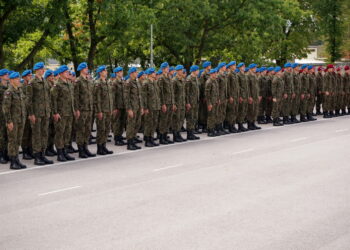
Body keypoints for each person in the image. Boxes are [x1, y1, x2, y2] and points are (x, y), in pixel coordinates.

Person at [27, 62, 53, 165]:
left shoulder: (45, 81)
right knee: (37, 135)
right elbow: (28, 100)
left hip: (45, 112)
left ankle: (43, 155)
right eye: (42, 69)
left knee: (44, 134)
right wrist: (31, 114)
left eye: (43, 69)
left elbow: (48, 98)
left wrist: (49, 110)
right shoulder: (32, 82)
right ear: (37, 70)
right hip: (36, 113)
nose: (43, 70)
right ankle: (37, 156)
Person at [51, 65, 76, 161]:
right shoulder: (57, 85)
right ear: (61, 73)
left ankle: (65, 151)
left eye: (68, 72)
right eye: (66, 72)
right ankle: (60, 153)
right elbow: (53, 100)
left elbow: (71, 99)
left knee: (67, 133)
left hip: (69, 112)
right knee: (60, 133)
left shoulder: (69, 84)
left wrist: (73, 110)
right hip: (61, 113)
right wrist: (55, 112)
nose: (68, 73)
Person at [2, 72, 27, 169]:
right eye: (16, 79)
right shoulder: (9, 92)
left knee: (18, 141)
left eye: (18, 78)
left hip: (20, 119)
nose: (18, 80)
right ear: (11, 80)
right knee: (12, 141)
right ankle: (13, 161)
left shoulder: (19, 90)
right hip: (13, 121)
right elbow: (6, 108)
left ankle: (17, 159)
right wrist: (9, 121)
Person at [74, 62, 96, 158]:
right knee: (81, 130)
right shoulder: (78, 81)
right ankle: (81, 150)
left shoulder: (89, 81)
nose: (87, 69)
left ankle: (85, 147)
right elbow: (75, 96)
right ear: (81, 69)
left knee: (87, 130)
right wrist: (77, 109)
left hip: (89, 108)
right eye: (86, 68)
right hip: (82, 109)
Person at [94, 65, 114, 155]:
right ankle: (99, 147)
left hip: (108, 109)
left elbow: (110, 97)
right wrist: (99, 111)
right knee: (101, 129)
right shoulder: (98, 83)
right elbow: (97, 98)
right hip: (102, 110)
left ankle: (104, 146)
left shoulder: (107, 82)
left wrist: (111, 108)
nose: (106, 72)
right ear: (100, 72)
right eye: (105, 71)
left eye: (106, 70)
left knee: (106, 129)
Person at [123, 67, 144, 150]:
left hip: (138, 107)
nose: (137, 73)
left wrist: (141, 107)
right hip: (132, 107)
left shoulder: (137, 83)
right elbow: (126, 97)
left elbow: (140, 96)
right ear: (131, 73)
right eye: (135, 72)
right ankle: (129, 143)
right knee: (131, 125)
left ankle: (133, 140)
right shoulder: (128, 83)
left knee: (137, 124)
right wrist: (129, 109)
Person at [158, 62, 176, 144]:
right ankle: (161, 138)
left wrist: (173, 103)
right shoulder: (161, 78)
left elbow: (171, 92)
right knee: (163, 121)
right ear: (163, 69)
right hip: (165, 102)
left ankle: (165, 136)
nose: (168, 69)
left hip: (170, 102)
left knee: (168, 120)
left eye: (168, 67)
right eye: (166, 68)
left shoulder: (169, 77)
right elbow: (160, 92)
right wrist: (163, 104)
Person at [142, 68, 160, 147]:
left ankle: (151, 138)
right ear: (149, 74)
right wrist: (145, 108)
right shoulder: (146, 83)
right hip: (149, 107)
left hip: (155, 106)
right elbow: (144, 97)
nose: (155, 73)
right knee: (148, 123)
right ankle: (147, 140)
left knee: (154, 123)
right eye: (153, 73)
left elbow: (157, 95)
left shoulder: (154, 82)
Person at [112, 66, 127, 146]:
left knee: (122, 122)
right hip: (117, 106)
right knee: (117, 123)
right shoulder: (114, 82)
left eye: (122, 71)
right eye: (120, 72)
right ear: (117, 73)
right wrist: (114, 107)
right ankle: (117, 138)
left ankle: (120, 136)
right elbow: (113, 96)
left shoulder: (123, 81)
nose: (121, 73)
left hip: (123, 105)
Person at [172, 65, 186, 142]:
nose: (182, 71)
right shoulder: (174, 80)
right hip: (177, 103)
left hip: (182, 102)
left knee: (181, 119)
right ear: (177, 71)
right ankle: (175, 135)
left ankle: (178, 133)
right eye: (180, 70)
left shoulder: (183, 80)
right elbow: (172, 93)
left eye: (182, 70)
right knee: (176, 119)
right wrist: (173, 104)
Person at [185, 65, 200, 140]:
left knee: (194, 117)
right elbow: (186, 92)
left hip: (195, 101)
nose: (198, 71)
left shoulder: (195, 78)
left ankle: (192, 132)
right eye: (197, 70)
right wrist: (187, 102)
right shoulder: (189, 79)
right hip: (190, 101)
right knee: (190, 118)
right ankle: (189, 134)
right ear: (194, 71)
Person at [205, 69, 219, 137]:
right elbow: (207, 94)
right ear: (211, 74)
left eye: (216, 73)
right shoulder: (209, 82)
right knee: (210, 116)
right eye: (214, 73)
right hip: (211, 102)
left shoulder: (215, 81)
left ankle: (212, 129)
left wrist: (217, 99)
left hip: (215, 101)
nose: (215, 74)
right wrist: (209, 103)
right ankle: (209, 130)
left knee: (214, 116)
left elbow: (216, 92)